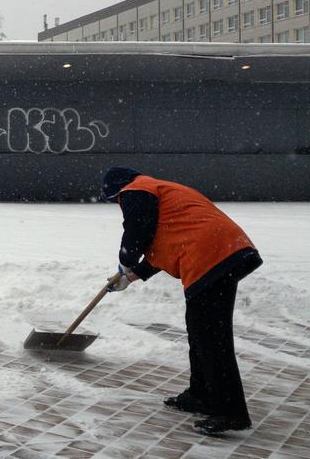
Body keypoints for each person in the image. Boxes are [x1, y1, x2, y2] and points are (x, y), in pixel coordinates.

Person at [100, 166, 262, 436]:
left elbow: (137, 231)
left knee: (211, 338)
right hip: (221, 251)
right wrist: (131, 276)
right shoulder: (160, 194)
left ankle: (230, 411)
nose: (119, 204)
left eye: (115, 200)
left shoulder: (137, 190)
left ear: (118, 190)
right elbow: (162, 245)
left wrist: (126, 260)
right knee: (200, 331)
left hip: (212, 256)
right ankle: (200, 394)